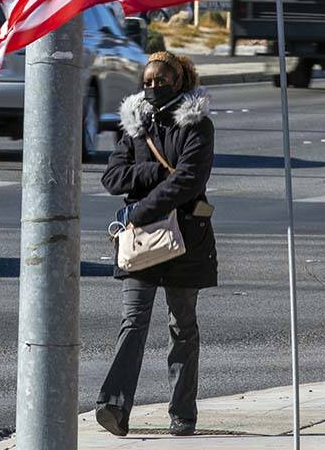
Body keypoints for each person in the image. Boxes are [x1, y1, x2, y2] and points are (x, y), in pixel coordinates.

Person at [96, 51, 217, 438]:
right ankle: (113, 406)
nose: (152, 87)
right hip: (143, 243)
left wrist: (137, 211)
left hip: (186, 239)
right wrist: (148, 171)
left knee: (182, 325)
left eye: (161, 81)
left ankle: (183, 415)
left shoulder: (198, 127)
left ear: (179, 82)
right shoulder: (135, 126)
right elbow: (113, 177)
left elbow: (188, 182)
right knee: (133, 321)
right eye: (147, 81)